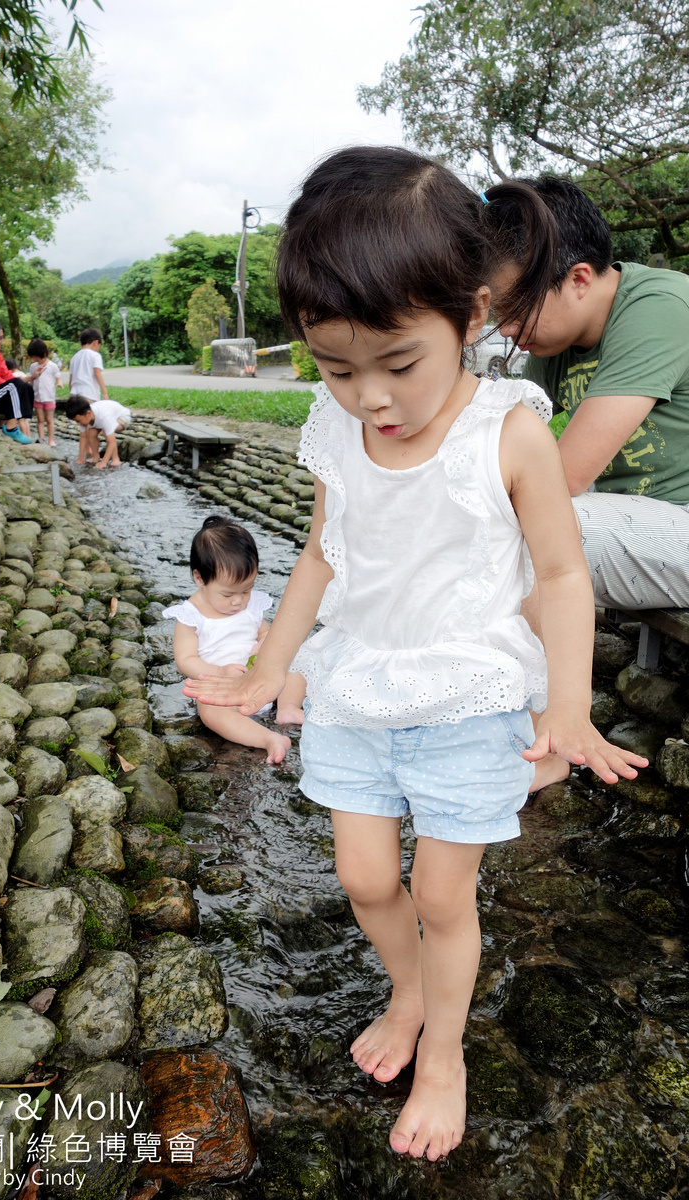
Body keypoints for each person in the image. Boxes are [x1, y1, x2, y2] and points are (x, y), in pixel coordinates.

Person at [183, 147, 647, 1163]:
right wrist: (268, 664)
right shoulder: (335, 427)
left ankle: (446, 1057)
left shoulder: (506, 429)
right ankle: (408, 989)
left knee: (443, 893)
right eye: (336, 368)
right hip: (358, 684)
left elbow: (562, 577)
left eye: (396, 364)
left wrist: (564, 706)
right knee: (363, 879)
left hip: (469, 689)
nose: (369, 399)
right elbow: (321, 552)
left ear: (468, 318)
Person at [483, 175, 689, 610]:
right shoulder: (555, 338)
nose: (505, 330)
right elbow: (496, 439)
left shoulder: (661, 306)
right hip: (638, 519)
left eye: (517, 311)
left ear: (578, 279)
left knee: (533, 525)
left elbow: (566, 474)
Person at [163, 516, 306, 764]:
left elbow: (266, 632)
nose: (238, 601)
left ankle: (287, 707)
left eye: (246, 590)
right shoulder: (190, 616)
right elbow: (185, 659)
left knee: (299, 663)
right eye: (228, 594)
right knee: (210, 711)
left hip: (262, 677)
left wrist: (265, 646)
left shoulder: (249, 608)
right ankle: (268, 738)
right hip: (223, 687)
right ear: (200, 579)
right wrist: (219, 671)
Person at [64, 394, 131, 467]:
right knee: (91, 433)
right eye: (76, 422)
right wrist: (80, 457)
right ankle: (96, 456)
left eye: (79, 421)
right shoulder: (84, 416)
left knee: (107, 432)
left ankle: (115, 459)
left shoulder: (105, 417)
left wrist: (104, 462)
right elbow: (83, 437)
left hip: (122, 418)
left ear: (88, 414)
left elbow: (112, 442)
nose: (78, 424)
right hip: (103, 419)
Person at [27, 337, 63, 446]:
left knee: (49, 419)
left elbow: (58, 377)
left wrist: (59, 383)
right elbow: (32, 380)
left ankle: (51, 440)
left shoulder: (53, 366)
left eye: (36, 356)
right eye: (33, 357)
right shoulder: (33, 367)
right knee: (40, 419)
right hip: (37, 397)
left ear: (43, 353)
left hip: (49, 397)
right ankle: (41, 438)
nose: (35, 359)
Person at [69, 327, 108, 402]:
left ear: (81, 344)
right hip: (89, 394)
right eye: (99, 347)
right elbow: (97, 373)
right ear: (95, 343)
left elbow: (71, 379)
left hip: (74, 394)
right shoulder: (95, 355)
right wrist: (105, 393)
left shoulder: (74, 357)